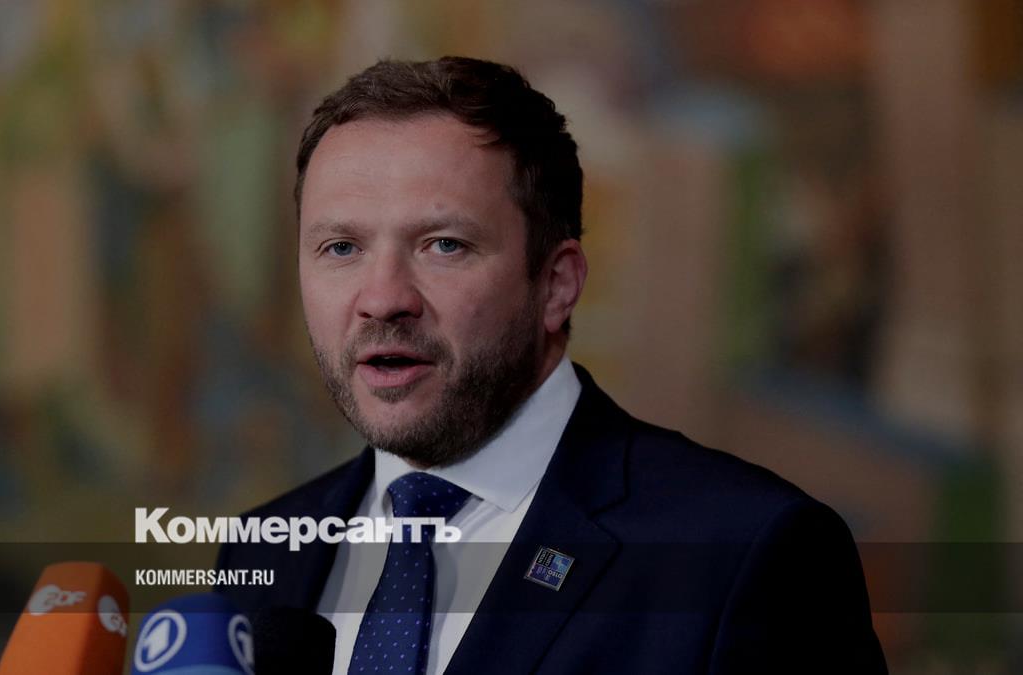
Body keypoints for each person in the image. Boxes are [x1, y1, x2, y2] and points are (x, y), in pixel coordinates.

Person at [215, 56, 887, 675]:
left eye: (444, 245)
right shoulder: (259, 550)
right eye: (340, 247)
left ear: (557, 285)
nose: (383, 297)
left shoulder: (748, 552)